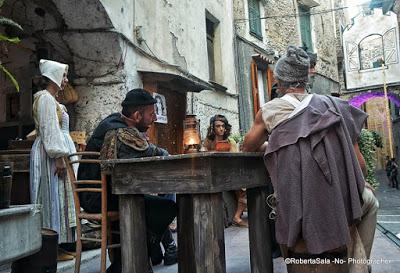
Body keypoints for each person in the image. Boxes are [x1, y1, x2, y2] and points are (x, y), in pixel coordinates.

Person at [242, 46, 379, 263]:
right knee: (370, 203)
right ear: (305, 79)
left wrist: (274, 144)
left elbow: (247, 147)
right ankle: (359, 265)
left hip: (294, 202)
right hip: (339, 200)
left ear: (279, 80)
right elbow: (359, 163)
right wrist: (361, 184)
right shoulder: (336, 107)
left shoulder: (269, 111)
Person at [77, 89, 177, 273]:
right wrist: (167, 154)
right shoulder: (120, 133)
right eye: (151, 114)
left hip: (104, 192)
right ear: (137, 115)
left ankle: (147, 254)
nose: (154, 118)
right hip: (99, 198)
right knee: (165, 206)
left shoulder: (115, 122)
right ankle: (130, 260)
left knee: (152, 200)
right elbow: (149, 152)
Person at [30, 59, 77, 260]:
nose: (66, 80)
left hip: (57, 153)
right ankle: (49, 248)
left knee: (58, 199)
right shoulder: (45, 99)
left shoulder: (52, 100)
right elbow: (49, 129)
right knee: (50, 198)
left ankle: (56, 245)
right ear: (53, 77)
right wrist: (58, 157)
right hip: (51, 156)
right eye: (63, 76)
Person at [203, 114, 248, 227]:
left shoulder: (230, 142)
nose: (221, 128)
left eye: (223, 126)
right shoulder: (209, 141)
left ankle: (237, 217)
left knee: (243, 190)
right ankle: (237, 216)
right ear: (213, 128)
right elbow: (203, 152)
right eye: (218, 126)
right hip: (214, 173)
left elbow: (235, 160)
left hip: (229, 173)